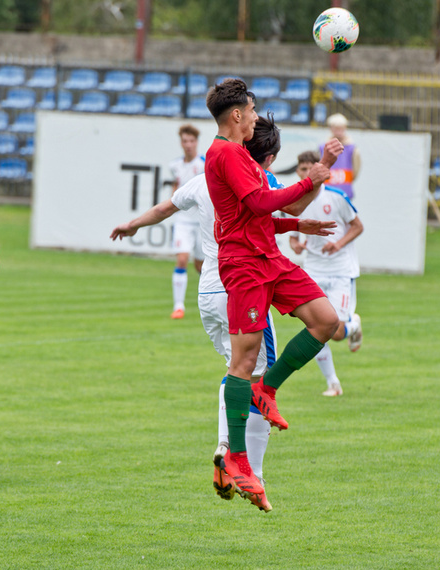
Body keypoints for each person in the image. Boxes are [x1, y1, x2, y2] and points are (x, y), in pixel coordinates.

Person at [110, 115, 336, 512]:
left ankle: (224, 447)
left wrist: (132, 225)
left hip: (210, 291)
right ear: (268, 158)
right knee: (251, 371)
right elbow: (277, 203)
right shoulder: (256, 178)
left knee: (238, 365)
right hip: (243, 281)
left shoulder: (207, 178)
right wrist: (316, 178)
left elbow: (165, 208)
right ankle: (247, 468)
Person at [204, 78, 345, 499]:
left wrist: (296, 222)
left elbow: (263, 213)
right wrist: (312, 177)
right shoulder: (224, 153)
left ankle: (267, 391)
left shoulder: (239, 155)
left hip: (268, 256)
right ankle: (236, 460)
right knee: (243, 361)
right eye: (250, 110)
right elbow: (259, 204)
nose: (252, 115)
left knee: (326, 320)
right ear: (236, 115)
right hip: (244, 266)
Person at [289, 151, 364, 397]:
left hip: (340, 271)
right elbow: (291, 232)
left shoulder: (337, 197)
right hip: (312, 269)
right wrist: (295, 244)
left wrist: (338, 244)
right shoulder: (293, 199)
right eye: (302, 168)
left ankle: (353, 324)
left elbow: (358, 226)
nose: (306, 172)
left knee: (338, 333)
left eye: (311, 167)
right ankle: (333, 383)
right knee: (316, 327)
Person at [168, 124, 206, 319]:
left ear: (196, 142)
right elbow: (175, 190)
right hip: (183, 220)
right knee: (182, 258)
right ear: (181, 143)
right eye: (185, 141)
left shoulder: (204, 164)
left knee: (201, 266)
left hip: (201, 222)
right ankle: (178, 306)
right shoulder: (175, 165)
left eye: (191, 141)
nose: (188, 144)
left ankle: (209, 299)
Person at [319, 113, 361, 199]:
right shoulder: (323, 147)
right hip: (326, 192)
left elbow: (356, 170)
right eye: (336, 128)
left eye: (341, 128)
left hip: (345, 192)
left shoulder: (352, 148)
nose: (339, 131)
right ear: (331, 128)